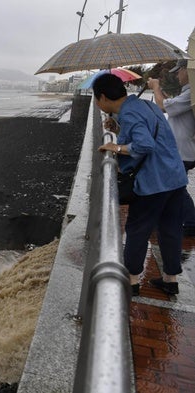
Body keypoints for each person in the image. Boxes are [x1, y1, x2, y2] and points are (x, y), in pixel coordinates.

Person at [95, 73, 187, 296]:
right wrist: (118, 130)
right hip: (175, 178)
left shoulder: (130, 113)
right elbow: (152, 135)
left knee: (137, 230)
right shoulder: (148, 106)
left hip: (154, 182)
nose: (97, 103)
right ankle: (170, 280)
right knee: (171, 230)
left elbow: (145, 145)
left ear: (104, 97)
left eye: (95, 98)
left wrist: (115, 148)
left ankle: (132, 282)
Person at [147, 59, 195, 236]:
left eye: (178, 71)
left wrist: (156, 87)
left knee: (174, 187)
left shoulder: (190, 94)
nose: (176, 74)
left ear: (186, 70)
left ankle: (190, 223)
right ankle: (182, 222)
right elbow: (168, 107)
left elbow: (162, 106)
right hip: (181, 149)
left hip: (183, 151)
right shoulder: (187, 93)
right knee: (174, 187)